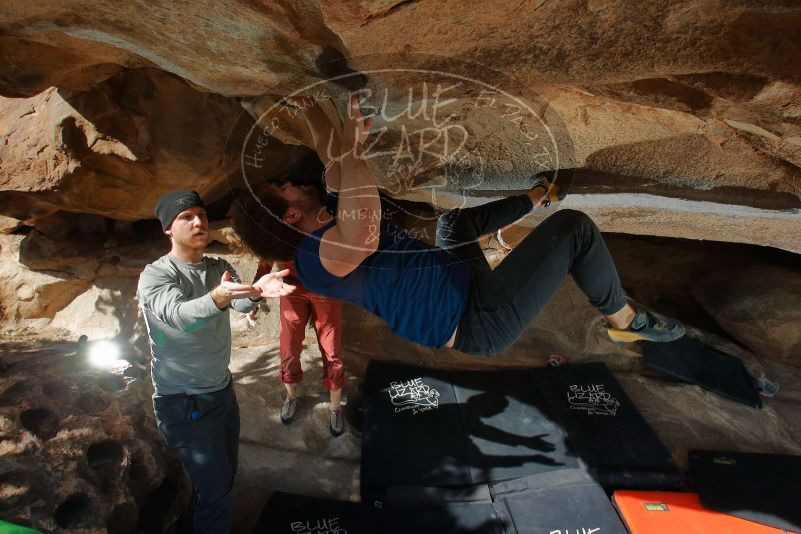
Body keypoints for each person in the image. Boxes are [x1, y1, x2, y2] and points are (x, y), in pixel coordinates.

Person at [231, 95, 684, 359]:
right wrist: (353, 149)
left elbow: (330, 153)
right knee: (575, 230)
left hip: (460, 280)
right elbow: (364, 227)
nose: (290, 181)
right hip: (476, 321)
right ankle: (626, 319)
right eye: (283, 188)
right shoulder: (315, 259)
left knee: (452, 226)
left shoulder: (326, 211)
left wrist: (308, 101)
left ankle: (538, 194)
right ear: (290, 216)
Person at [137, 189, 295, 533]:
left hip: (222, 393)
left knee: (222, 481)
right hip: (185, 403)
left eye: (202, 215)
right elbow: (182, 316)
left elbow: (235, 301)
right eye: (186, 217)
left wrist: (253, 293)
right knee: (216, 493)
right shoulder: (156, 275)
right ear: (168, 228)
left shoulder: (218, 267)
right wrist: (219, 296)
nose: (198, 222)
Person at [248, 258, 345, 436]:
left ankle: (336, 407)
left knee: (331, 347)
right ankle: (292, 396)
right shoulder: (282, 228)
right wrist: (255, 297)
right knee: (289, 346)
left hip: (325, 285)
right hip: (292, 286)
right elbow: (266, 250)